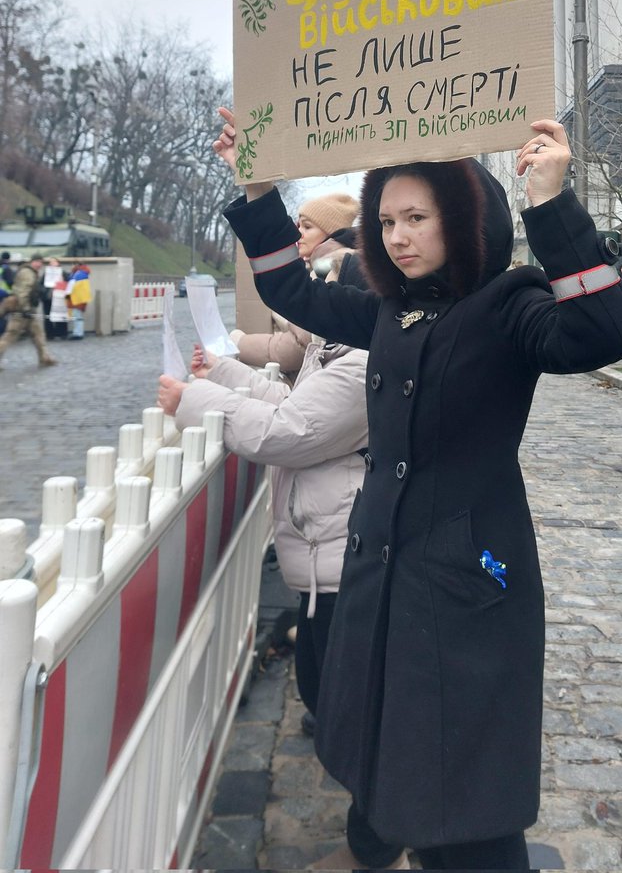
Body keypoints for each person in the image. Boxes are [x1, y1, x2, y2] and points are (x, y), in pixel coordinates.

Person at [213, 108, 622, 869]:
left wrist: (550, 200)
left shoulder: (509, 305)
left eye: (417, 217)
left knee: (463, 786)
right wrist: (259, 189)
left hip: (465, 581)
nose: (397, 236)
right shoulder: (388, 308)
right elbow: (291, 290)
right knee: (385, 734)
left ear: (465, 219)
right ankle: (370, 848)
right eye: (385, 220)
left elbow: (604, 332)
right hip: (381, 570)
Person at [158, 248, 407, 871]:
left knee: (354, 712)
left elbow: (289, 432)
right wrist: (219, 372)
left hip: (342, 559)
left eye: (325, 292)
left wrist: (193, 402)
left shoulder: (363, 365)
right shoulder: (341, 353)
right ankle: (379, 831)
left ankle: (380, 841)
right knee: (331, 697)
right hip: (326, 557)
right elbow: (288, 398)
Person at [230, 193, 359, 375]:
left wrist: (238, 342)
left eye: (307, 226)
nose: (299, 233)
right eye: (298, 225)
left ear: (331, 233)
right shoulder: (318, 267)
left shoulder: (331, 270)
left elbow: (299, 345)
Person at [0, 255, 57, 368]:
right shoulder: (28, 273)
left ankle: (44, 357)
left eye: (41, 262)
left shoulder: (30, 272)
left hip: (29, 309)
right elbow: (23, 292)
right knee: (10, 335)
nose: (39, 264)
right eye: (37, 262)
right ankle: (44, 357)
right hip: (23, 310)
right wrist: (25, 309)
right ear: (32, 262)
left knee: (38, 334)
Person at [66, 262, 91, 339]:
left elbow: (73, 286)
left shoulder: (78, 274)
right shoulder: (81, 274)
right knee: (77, 315)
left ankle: (78, 333)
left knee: (77, 316)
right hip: (78, 298)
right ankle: (77, 332)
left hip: (77, 298)